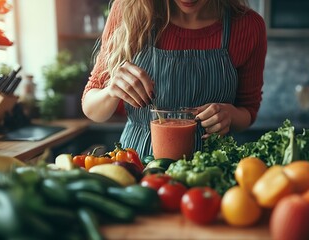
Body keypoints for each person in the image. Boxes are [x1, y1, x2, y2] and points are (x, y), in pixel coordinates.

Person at [82, 0, 267, 158]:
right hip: (136, 165)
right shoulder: (130, 10)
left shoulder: (247, 26)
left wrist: (230, 115)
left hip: (211, 169)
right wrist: (110, 91)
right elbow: (91, 108)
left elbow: (248, 110)